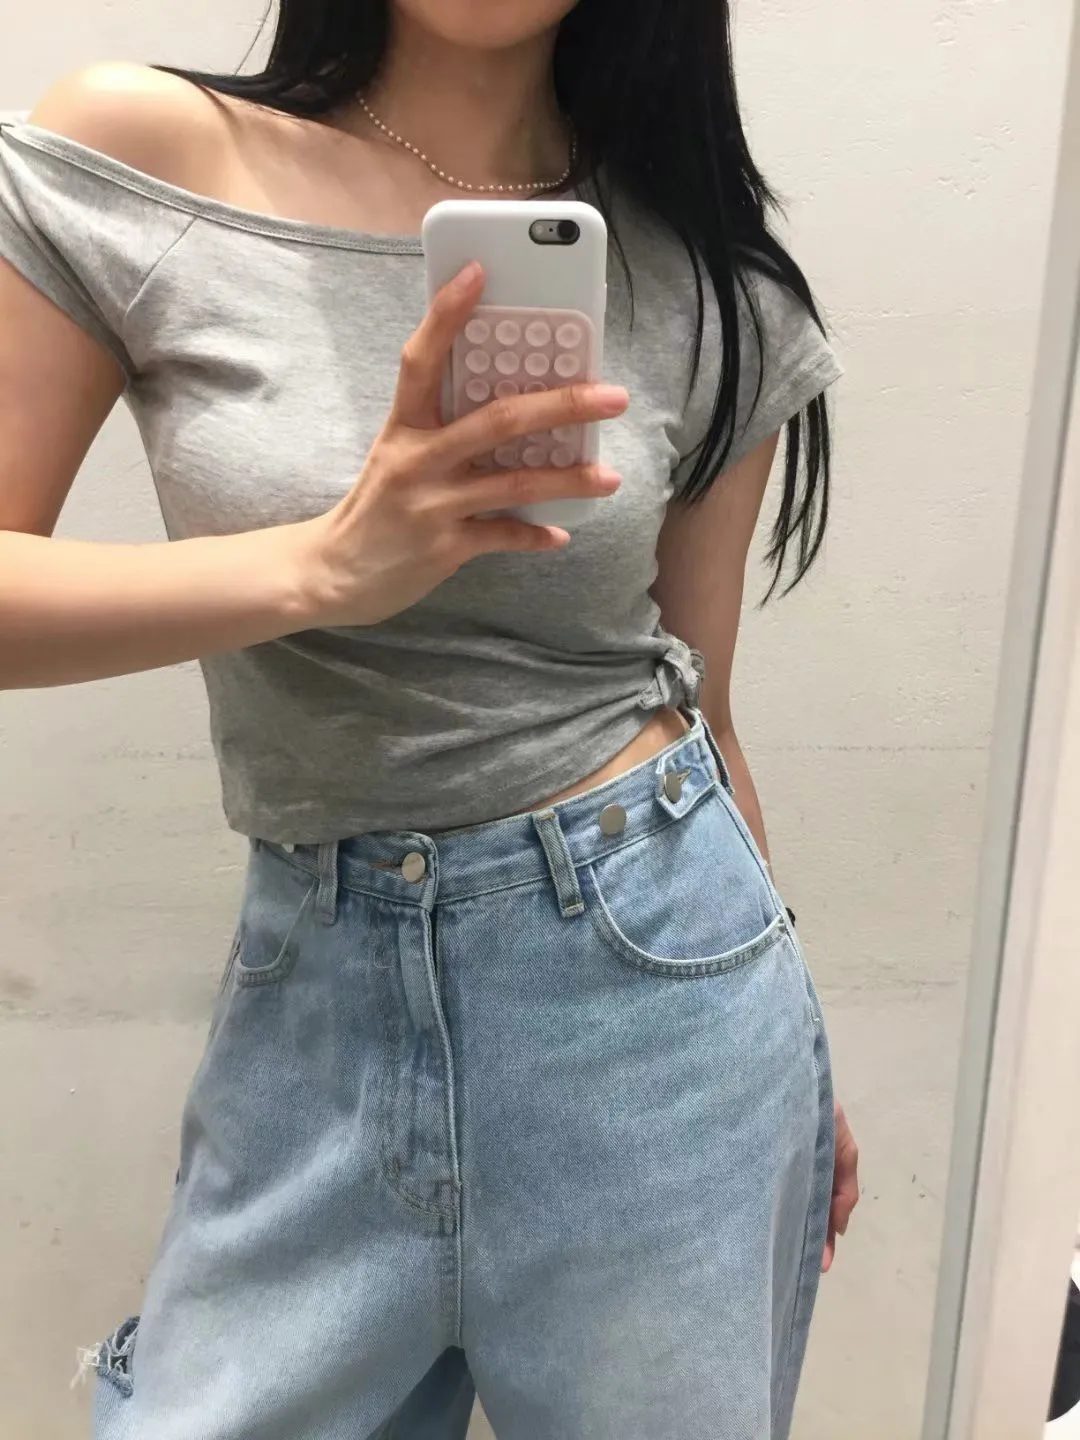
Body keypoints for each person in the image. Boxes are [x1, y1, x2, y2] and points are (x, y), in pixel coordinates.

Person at [0, 2, 860, 1436]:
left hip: (659, 990)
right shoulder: (145, 158)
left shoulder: (706, 275)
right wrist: (328, 564)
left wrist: (792, 1057)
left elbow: (698, 700)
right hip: (315, 992)